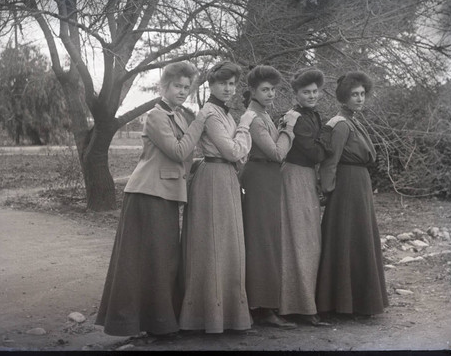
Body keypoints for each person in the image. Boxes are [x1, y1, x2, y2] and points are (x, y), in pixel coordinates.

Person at [95, 62, 213, 337]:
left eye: (186, 87)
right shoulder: (157, 115)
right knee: (148, 260)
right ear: (164, 86)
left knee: (163, 259)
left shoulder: (179, 116)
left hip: (165, 193)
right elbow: (178, 151)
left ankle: (159, 322)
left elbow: (185, 157)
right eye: (177, 86)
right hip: (147, 194)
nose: (182, 91)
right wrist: (201, 121)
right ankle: (148, 324)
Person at [179, 61, 256, 334]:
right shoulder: (211, 113)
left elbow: (238, 154)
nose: (228, 88)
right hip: (213, 178)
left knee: (228, 245)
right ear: (211, 85)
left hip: (226, 179)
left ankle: (227, 315)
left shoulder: (224, 113)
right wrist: (246, 126)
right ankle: (207, 317)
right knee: (213, 245)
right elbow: (234, 151)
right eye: (222, 83)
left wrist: (239, 143)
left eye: (232, 83)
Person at [316, 71, 389, 319]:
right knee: (347, 239)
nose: (359, 99)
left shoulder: (354, 121)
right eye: (353, 95)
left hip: (359, 186)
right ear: (343, 98)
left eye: (361, 94)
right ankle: (343, 304)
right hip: (346, 188)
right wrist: (328, 192)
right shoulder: (340, 124)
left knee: (360, 238)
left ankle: (360, 301)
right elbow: (330, 162)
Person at [240, 65, 300, 329]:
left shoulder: (262, 115)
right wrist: (289, 128)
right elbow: (277, 153)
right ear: (252, 91)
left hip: (268, 180)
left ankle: (263, 305)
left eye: (273, 89)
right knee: (262, 242)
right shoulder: (252, 117)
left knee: (268, 240)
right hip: (259, 180)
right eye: (265, 89)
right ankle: (262, 308)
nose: (271, 94)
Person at [277, 68, 332, 326]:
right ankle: (296, 305)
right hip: (295, 176)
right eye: (305, 92)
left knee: (309, 239)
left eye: (314, 91)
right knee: (299, 238)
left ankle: (305, 302)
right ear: (296, 94)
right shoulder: (295, 117)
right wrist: (325, 142)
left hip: (306, 178)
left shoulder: (313, 115)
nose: (311, 96)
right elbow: (314, 154)